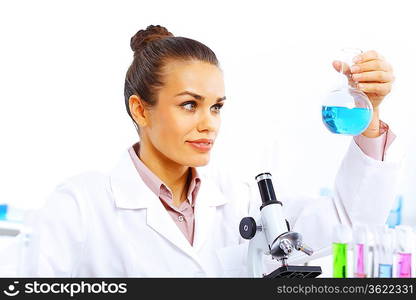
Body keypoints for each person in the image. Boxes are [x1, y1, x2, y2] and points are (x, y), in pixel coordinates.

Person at [22, 25, 400, 277]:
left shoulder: (241, 197)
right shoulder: (78, 206)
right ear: (140, 109)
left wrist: (370, 112)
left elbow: (348, 226)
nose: (209, 123)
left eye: (216, 106)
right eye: (190, 105)